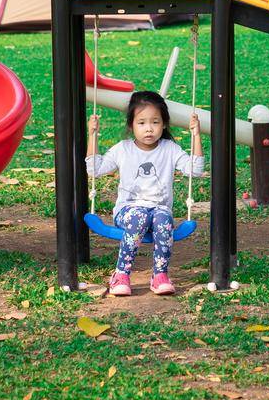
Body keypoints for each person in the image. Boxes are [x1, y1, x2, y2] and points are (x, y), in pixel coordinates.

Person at [86, 89, 205, 295]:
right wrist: (92, 135)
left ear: (164, 123)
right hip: (128, 211)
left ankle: (160, 275)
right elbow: (94, 169)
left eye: (155, 122)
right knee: (140, 216)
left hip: (158, 210)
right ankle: (121, 274)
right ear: (131, 125)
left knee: (163, 218)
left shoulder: (170, 149)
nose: (148, 129)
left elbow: (194, 169)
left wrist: (196, 135)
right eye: (142, 123)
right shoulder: (123, 149)